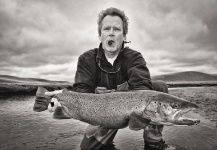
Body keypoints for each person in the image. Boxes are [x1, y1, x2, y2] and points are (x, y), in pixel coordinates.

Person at [33, 7, 169, 150]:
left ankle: (153, 141)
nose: (111, 33)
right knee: (88, 148)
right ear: (100, 35)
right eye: (106, 29)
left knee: (159, 88)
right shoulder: (86, 59)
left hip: (130, 109)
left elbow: (142, 88)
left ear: (124, 36)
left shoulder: (134, 57)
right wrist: (63, 101)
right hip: (102, 112)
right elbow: (81, 93)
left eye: (116, 29)